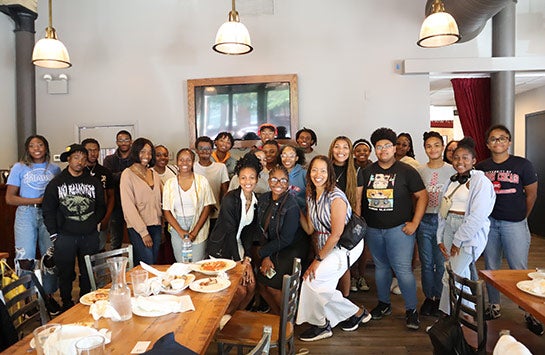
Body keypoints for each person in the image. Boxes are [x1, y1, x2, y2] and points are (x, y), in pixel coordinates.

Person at [476, 125, 541, 334]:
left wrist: (522, 217)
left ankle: (530, 312)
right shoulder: (481, 167)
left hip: (514, 224)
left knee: (519, 269)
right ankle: (494, 307)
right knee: (492, 267)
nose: (498, 143)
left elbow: (531, 195)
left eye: (502, 138)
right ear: (487, 144)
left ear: (509, 142)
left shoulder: (523, 165)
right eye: (493, 139)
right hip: (490, 224)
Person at [296, 156, 369, 342]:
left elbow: (336, 234)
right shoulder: (311, 195)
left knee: (312, 281)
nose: (317, 174)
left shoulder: (336, 197)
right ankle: (356, 313)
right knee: (321, 287)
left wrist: (317, 261)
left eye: (322, 170)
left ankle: (321, 325)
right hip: (327, 245)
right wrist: (296, 209)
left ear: (330, 174)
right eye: (314, 170)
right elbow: (311, 229)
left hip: (346, 246)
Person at [362, 127, 428, 330]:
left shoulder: (407, 171)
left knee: (402, 270)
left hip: (399, 230)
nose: (383, 150)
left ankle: (411, 310)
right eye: (379, 146)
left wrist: (414, 223)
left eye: (387, 146)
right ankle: (384, 304)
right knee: (381, 268)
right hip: (373, 229)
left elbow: (422, 197)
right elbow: (358, 198)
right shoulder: (366, 172)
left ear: (394, 148)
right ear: (375, 149)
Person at [42, 144, 105, 311]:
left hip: (89, 234)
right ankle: (67, 304)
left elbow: (101, 206)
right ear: (68, 159)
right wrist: (54, 234)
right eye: (76, 158)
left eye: (84, 159)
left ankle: (85, 302)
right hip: (64, 236)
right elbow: (48, 209)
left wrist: (95, 223)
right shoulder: (56, 183)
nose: (80, 162)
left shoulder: (93, 182)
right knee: (65, 273)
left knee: (88, 272)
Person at [437, 137, 495, 315]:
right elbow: (443, 209)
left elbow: (478, 216)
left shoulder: (481, 181)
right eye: (456, 158)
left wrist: (458, 240)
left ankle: (454, 318)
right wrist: (440, 236)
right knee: (460, 276)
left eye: (465, 158)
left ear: (474, 161)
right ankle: (467, 320)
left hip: (466, 231)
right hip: (449, 226)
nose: (459, 161)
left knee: (451, 277)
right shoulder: (453, 180)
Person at [5, 135, 61, 311]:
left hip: (49, 215)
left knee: (50, 257)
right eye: (32, 145)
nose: (36, 148)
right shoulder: (19, 167)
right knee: (25, 258)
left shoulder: (55, 169)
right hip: (26, 214)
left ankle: (48, 296)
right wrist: (37, 199)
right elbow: (10, 198)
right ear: (27, 149)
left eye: (40, 144)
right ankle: (29, 301)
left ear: (46, 147)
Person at [207, 153, 262, 314]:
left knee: (251, 286)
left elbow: (249, 233)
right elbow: (230, 232)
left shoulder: (256, 201)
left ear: (257, 179)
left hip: (238, 246)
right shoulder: (231, 199)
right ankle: (221, 321)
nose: (248, 182)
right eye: (243, 178)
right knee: (240, 291)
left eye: (251, 178)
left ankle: (233, 319)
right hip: (222, 249)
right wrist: (240, 263)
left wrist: (248, 259)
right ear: (238, 179)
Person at [255, 165, 309, 315]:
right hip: (272, 247)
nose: (278, 184)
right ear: (268, 181)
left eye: (283, 180)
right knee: (260, 283)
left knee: (272, 285)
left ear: (288, 183)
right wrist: (266, 256)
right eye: (274, 179)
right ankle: (278, 314)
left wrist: (264, 254)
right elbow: (261, 229)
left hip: (291, 248)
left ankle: (288, 318)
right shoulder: (264, 199)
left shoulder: (291, 204)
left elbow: (286, 239)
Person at [415, 132, 455, 316]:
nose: (433, 149)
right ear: (425, 149)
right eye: (429, 146)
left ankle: (440, 299)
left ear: (442, 147)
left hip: (443, 221)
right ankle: (429, 298)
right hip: (424, 220)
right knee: (426, 262)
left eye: (437, 145)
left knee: (441, 263)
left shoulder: (452, 170)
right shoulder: (420, 171)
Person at [162, 148, 215, 262]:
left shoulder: (202, 181)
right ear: (177, 162)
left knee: (197, 263)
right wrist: (180, 231)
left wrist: (195, 231)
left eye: (188, 160)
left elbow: (207, 206)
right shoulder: (169, 183)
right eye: (181, 160)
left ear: (193, 162)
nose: (184, 163)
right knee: (182, 263)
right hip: (177, 226)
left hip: (198, 225)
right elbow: (166, 211)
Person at [328, 136, 362, 297]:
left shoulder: (356, 171)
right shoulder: (325, 168)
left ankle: (345, 297)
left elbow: (357, 202)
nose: (340, 151)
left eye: (345, 147)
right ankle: (330, 296)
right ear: (332, 149)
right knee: (327, 262)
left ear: (350, 151)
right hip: (325, 221)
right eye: (337, 147)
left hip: (346, 223)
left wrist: (354, 228)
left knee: (343, 263)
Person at [120, 138, 162, 265]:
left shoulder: (154, 174)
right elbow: (128, 207)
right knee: (146, 263)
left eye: (149, 152)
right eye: (143, 152)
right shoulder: (127, 174)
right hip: (138, 228)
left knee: (154, 262)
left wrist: (163, 225)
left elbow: (161, 200)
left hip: (156, 225)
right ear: (136, 152)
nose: (147, 156)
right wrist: (143, 233)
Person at [81, 138, 115, 252]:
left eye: (95, 150)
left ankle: (98, 270)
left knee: (99, 249)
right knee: (84, 251)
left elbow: (111, 196)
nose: (93, 153)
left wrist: (106, 218)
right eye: (89, 150)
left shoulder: (105, 172)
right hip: (82, 220)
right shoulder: (77, 171)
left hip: (101, 218)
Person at [350, 138, 373, 292]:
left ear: (370, 152)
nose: (362, 153)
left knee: (364, 246)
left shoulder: (374, 168)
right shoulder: (349, 167)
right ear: (353, 153)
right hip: (353, 209)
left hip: (369, 210)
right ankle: (351, 276)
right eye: (358, 151)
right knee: (351, 244)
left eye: (365, 150)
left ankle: (361, 276)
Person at [103, 130, 133, 250]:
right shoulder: (109, 160)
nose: (123, 143)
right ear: (117, 142)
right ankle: (116, 267)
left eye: (126, 140)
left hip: (134, 202)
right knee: (115, 240)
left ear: (131, 141)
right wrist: (129, 174)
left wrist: (118, 176)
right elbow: (109, 178)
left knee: (136, 237)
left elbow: (139, 178)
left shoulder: (136, 158)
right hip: (116, 203)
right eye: (121, 140)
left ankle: (137, 265)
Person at [193, 136, 229, 232]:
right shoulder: (191, 167)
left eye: (208, 149)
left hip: (216, 214)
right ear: (196, 150)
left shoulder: (221, 167)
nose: (205, 151)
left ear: (212, 150)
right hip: (196, 215)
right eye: (201, 148)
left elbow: (225, 193)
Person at [279, 144, 306, 210]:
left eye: (291, 156)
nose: (287, 159)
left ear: (296, 158)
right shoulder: (277, 173)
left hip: (300, 212)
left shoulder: (304, 174)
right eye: (284, 155)